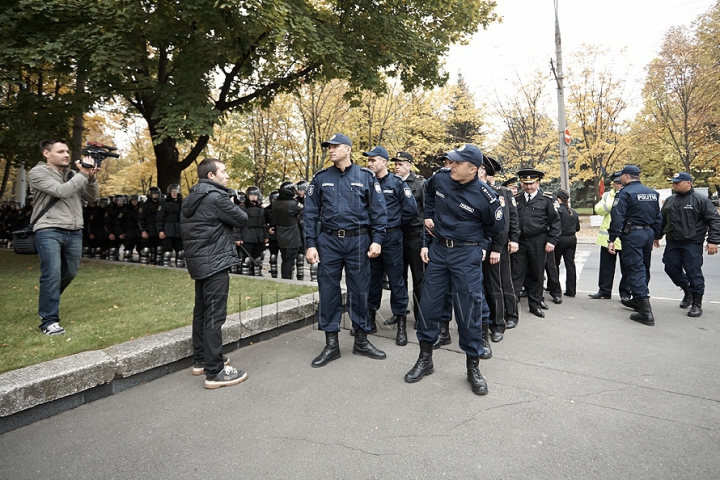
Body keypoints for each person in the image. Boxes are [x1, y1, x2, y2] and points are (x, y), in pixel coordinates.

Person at [404, 144, 505, 396]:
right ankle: (425, 359)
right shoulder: (440, 179)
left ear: (473, 169)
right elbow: (427, 195)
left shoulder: (486, 195)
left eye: (457, 163)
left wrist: (479, 244)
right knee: (428, 306)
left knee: (468, 311)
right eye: (451, 161)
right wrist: (429, 218)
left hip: (466, 255)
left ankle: (473, 367)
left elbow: (496, 228)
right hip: (439, 252)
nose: (451, 166)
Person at [304, 133, 388, 368]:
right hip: (329, 242)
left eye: (335, 146)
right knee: (328, 291)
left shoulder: (366, 176)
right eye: (328, 147)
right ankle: (331, 344)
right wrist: (310, 243)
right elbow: (310, 213)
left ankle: (361, 340)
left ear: (348, 149)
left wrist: (378, 239)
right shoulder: (321, 178)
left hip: (359, 241)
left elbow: (379, 212)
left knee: (360, 290)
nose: (331, 150)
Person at [181, 157, 249, 388]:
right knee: (214, 315)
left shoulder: (191, 197)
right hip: (215, 261)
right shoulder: (216, 197)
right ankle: (215, 371)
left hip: (199, 261)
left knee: (201, 310)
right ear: (211, 175)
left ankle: (201, 359)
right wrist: (232, 202)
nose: (227, 175)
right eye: (223, 171)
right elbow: (243, 218)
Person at [29, 139, 99, 335]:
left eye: (67, 151)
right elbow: (61, 191)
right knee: (52, 273)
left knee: (69, 273)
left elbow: (92, 197)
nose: (67, 155)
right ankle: (49, 321)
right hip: (48, 228)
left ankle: (48, 299)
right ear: (46, 154)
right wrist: (83, 174)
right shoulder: (38, 173)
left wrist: (91, 178)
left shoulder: (73, 174)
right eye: (60, 152)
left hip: (74, 230)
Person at [363, 146, 418, 346]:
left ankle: (401, 323)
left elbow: (411, 210)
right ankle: (370, 318)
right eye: (368, 161)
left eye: (373, 160)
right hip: (370, 238)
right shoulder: (366, 182)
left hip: (392, 237)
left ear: (384, 162)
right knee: (372, 279)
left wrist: (393, 223)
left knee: (396, 280)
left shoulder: (396, 183)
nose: (369, 164)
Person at [655, 172, 720, 317]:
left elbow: (714, 220)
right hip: (673, 241)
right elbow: (663, 220)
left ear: (688, 183)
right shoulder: (670, 200)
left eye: (677, 182)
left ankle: (696, 303)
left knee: (693, 271)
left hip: (692, 242)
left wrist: (713, 241)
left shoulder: (700, 200)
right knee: (670, 268)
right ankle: (687, 290)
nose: (674, 185)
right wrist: (657, 236)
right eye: (673, 182)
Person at [607, 165, 662, 326]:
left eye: (621, 176)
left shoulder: (624, 193)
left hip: (633, 235)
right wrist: (656, 236)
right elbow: (658, 217)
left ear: (627, 176)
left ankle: (645, 311)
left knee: (635, 268)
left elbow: (617, 217)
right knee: (644, 267)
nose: (619, 180)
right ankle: (639, 300)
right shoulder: (652, 193)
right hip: (648, 233)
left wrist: (612, 238)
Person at [510, 168, 561, 320]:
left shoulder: (546, 199)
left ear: (538, 183)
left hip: (538, 240)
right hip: (519, 241)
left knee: (537, 274)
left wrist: (552, 241)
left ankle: (535, 304)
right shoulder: (516, 199)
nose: (528, 187)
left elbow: (556, 222)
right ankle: (511, 309)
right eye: (525, 184)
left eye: (532, 183)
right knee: (516, 275)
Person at [480, 156, 519, 344]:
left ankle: (498, 324)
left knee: (497, 285)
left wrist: (502, 244)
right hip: (475, 247)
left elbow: (505, 223)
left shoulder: (500, 193)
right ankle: (484, 322)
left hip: (495, 246)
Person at [392, 151, 426, 330]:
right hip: (396, 234)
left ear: (410, 165)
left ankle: (420, 315)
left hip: (415, 234)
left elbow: (428, 210)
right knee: (398, 276)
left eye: (401, 163)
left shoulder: (420, 183)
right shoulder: (391, 181)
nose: (397, 166)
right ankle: (399, 313)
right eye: (396, 163)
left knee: (419, 276)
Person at [589, 172, 630, 300]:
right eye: (617, 183)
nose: (619, 185)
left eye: (621, 183)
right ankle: (604, 291)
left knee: (626, 268)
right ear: (613, 184)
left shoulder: (629, 194)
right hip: (607, 238)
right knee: (606, 267)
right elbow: (599, 210)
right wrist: (614, 202)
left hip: (624, 238)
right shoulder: (608, 195)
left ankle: (625, 293)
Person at [271, 182, 304, 280]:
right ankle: (287, 279)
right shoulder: (293, 204)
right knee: (290, 260)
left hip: (280, 235)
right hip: (292, 236)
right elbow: (304, 210)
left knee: (284, 259)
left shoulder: (275, 203)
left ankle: (284, 278)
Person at [554, 189, 580, 297]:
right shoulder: (573, 212)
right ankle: (571, 290)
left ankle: (555, 288)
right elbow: (577, 228)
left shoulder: (558, 211)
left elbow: (555, 226)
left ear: (558, 199)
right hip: (572, 239)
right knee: (570, 264)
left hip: (560, 239)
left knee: (555, 264)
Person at [238, 186, 267, 276]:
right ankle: (246, 276)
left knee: (258, 258)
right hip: (247, 236)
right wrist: (238, 237)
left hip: (259, 237)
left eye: (255, 194)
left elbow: (264, 223)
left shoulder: (261, 209)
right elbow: (238, 224)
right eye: (251, 195)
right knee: (247, 259)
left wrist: (266, 236)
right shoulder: (243, 209)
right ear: (248, 196)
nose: (253, 196)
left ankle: (257, 275)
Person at [157, 184, 184, 264]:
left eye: (176, 191)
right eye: (172, 191)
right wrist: (160, 230)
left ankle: (179, 265)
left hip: (179, 231)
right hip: (168, 230)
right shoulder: (164, 204)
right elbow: (159, 218)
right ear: (170, 192)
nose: (174, 193)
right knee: (167, 252)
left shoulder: (182, 204)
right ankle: (165, 266)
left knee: (180, 252)